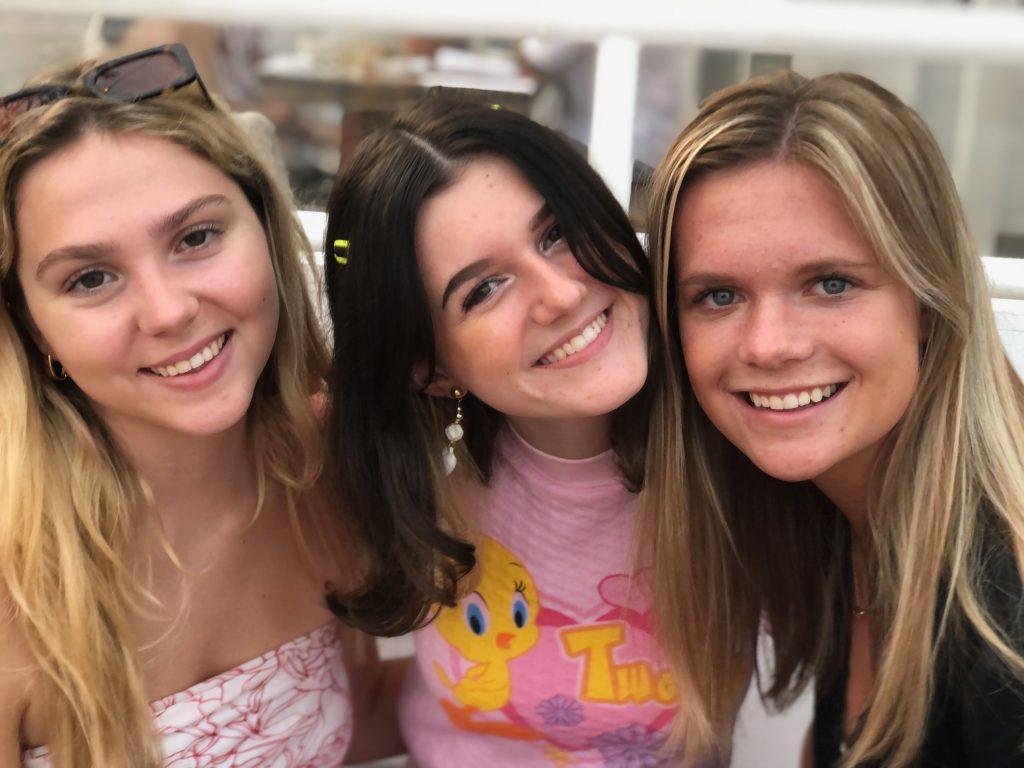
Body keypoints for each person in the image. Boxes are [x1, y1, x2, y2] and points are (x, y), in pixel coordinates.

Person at [0, 44, 396, 768]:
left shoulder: (329, 467)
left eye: (196, 237)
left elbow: (352, 717)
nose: (168, 311)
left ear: (268, 235)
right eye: (90, 278)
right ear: (31, 328)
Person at [643, 69, 1024, 767]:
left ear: (931, 302)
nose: (767, 345)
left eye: (831, 283)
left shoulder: (1008, 612)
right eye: (719, 295)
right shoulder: (836, 518)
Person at [323, 97, 685, 766]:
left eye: (555, 234)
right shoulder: (396, 483)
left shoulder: (737, 450)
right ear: (426, 368)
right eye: (484, 288)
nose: (561, 294)